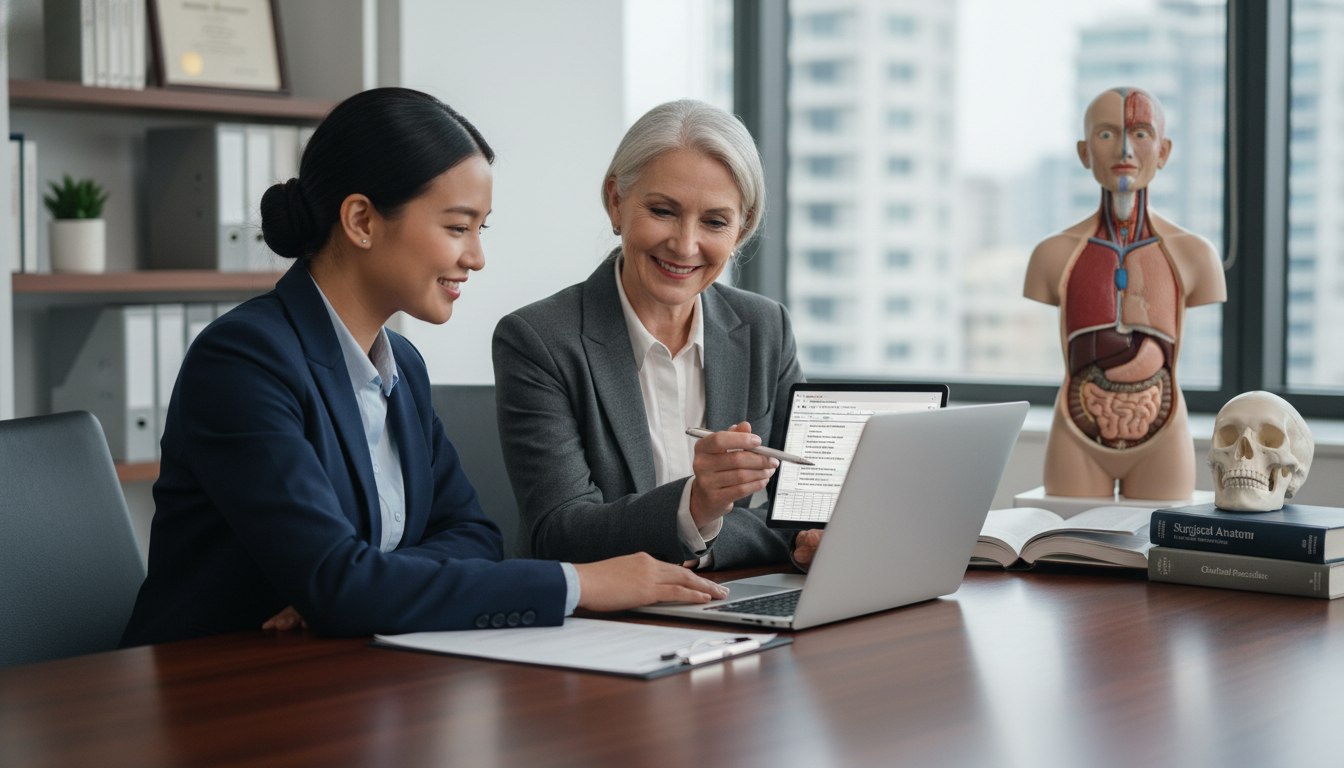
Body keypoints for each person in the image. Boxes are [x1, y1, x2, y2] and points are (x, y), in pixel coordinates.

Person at [119, 88, 727, 648]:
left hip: (347, 672)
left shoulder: (400, 365)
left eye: (480, 229)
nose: (477, 257)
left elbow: (474, 537)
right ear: (361, 221)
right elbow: (339, 583)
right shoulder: (244, 360)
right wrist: (580, 583)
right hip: (214, 684)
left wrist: (366, 585)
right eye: (458, 227)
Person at [493, 99, 823, 572]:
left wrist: (730, 538)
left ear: (741, 228)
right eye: (663, 211)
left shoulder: (765, 328)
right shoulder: (538, 340)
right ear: (616, 202)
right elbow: (559, 533)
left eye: (715, 221)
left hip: (731, 595)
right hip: (601, 612)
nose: (685, 245)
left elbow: (803, 513)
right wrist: (696, 506)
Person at [1023, 87, 1225, 500]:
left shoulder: (1195, 255)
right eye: (1107, 134)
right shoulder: (1052, 255)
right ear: (1084, 153)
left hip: (1163, 434)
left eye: (1140, 133)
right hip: (1075, 430)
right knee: (1068, 539)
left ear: (1163, 151)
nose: (1125, 150)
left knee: (1160, 539)